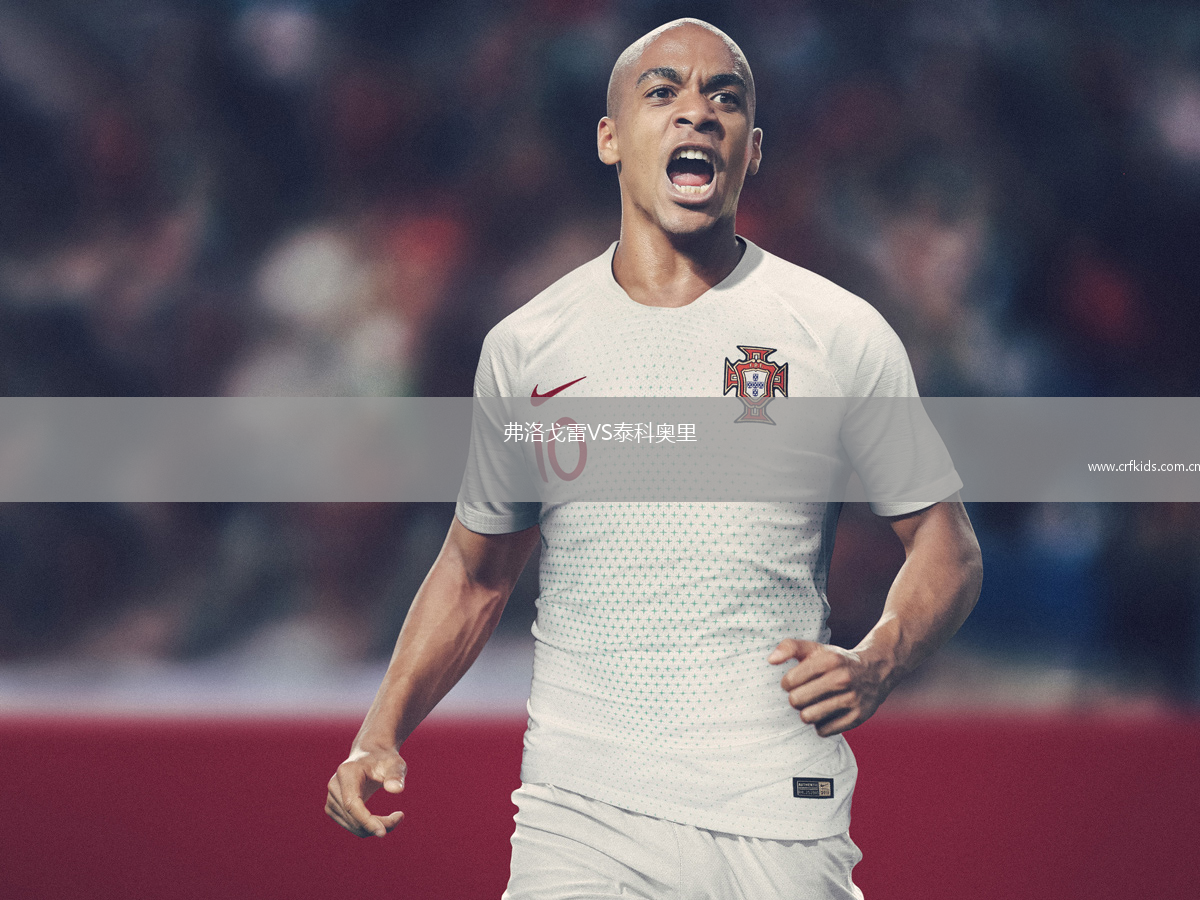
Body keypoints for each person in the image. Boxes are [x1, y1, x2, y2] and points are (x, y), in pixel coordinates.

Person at [325, 18, 983, 899]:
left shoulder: (837, 333)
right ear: (610, 138)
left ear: (752, 150)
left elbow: (947, 546)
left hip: (775, 811)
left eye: (725, 98)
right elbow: (476, 573)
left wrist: (878, 660)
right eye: (663, 91)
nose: (697, 112)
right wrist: (380, 728)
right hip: (578, 817)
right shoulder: (529, 346)